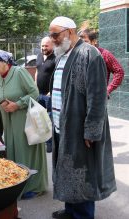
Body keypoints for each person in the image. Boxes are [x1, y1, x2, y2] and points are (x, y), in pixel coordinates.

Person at [49, 16, 116, 219]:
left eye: (55, 35)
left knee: (82, 174)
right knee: (67, 170)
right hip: (62, 126)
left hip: (79, 130)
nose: (52, 39)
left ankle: (83, 215)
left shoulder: (90, 54)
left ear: (70, 32)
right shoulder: (62, 55)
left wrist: (92, 131)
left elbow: (98, 96)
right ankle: (70, 210)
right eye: (50, 35)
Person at [0, 50, 48, 201]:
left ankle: (34, 187)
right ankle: (19, 184)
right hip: (9, 125)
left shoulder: (19, 72)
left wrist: (18, 104)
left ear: (5, 63)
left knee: (28, 154)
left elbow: (34, 93)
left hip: (26, 122)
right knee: (15, 155)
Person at [79, 28, 124, 98]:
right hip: (81, 98)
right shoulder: (79, 55)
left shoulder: (104, 54)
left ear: (94, 41)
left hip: (98, 98)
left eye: (85, 42)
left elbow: (119, 71)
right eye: (81, 43)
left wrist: (108, 90)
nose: (82, 45)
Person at [35, 36, 56, 153]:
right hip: (39, 93)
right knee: (40, 119)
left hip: (49, 95)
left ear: (52, 45)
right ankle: (43, 140)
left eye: (46, 45)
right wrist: (34, 87)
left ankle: (50, 143)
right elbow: (37, 71)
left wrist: (51, 91)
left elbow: (58, 75)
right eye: (42, 45)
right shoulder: (39, 56)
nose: (44, 48)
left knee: (49, 120)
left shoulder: (55, 58)